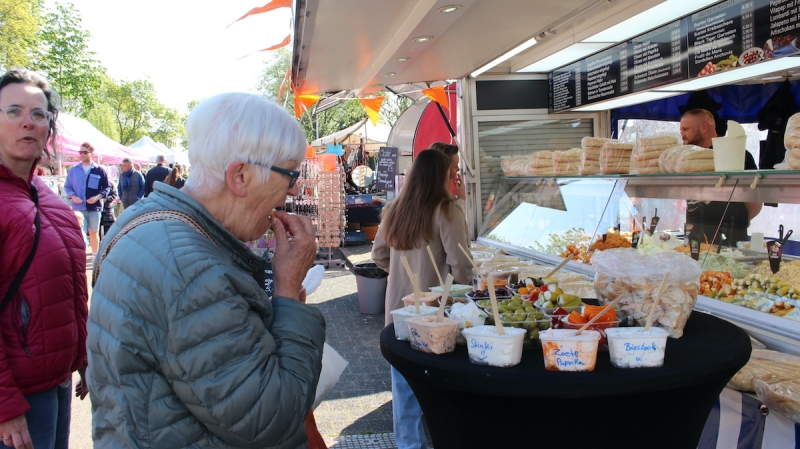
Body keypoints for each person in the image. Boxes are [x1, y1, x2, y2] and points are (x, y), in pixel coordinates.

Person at [87, 92, 326, 448]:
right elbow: (269, 418)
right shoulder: (192, 271)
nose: (291, 192)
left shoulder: (144, 217)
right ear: (240, 176)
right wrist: (288, 293)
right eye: (290, 175)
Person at [0, 68, 88, 449]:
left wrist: (82, 356)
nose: (28, 122)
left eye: (39, 114)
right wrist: (5, 404)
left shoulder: (46, 196)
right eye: (14, 111)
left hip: (57, 383)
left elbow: (68, 289)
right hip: (17, 397)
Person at [371, 149, 473, 449]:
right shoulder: (446, 209)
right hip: (437, 312)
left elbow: (378, 254)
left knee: (403, 383)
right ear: (441, 175)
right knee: (441, 383)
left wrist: (401, 275)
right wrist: (459, 293)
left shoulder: (394, 209)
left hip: (399, 309)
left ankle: (409, 444)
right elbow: (461, 265)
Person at [680, 109, 762, 244]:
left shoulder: (736, 154)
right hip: (695, 236)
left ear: (704, 127)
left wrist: (739, 221)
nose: (682, 135)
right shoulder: (686, 159)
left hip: (728, 237)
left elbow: (755, 201)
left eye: (686, 129)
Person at [63, 141, 110, 255]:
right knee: (79, 233)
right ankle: (80, 256)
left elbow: (106, 187)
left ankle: (95, 256)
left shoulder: (99, 170)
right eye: (80, 152)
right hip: (78, 208)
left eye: (85, 152)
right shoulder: (73, 170)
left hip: (94, 207)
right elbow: (67, 186)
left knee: (93, 232)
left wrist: (98, 197)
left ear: (91, 153)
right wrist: (73, 196)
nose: (82, 154)